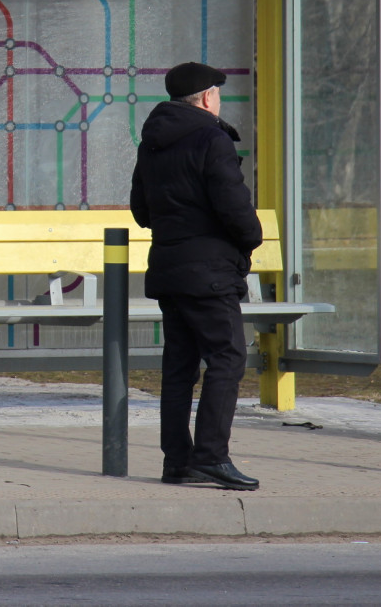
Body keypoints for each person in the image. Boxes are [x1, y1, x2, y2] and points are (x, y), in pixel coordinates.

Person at [130, 61, 264, 490]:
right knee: (227, 357)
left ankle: (177, 461)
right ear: (207, 97)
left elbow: (141, 211)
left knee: (179, 367)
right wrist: (251, 239)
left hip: (170, 270)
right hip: (210, 274)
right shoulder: (212, 139)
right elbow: (235, 209)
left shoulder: (152, 142)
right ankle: (211, 456)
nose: (219, 100)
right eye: (218, 94)